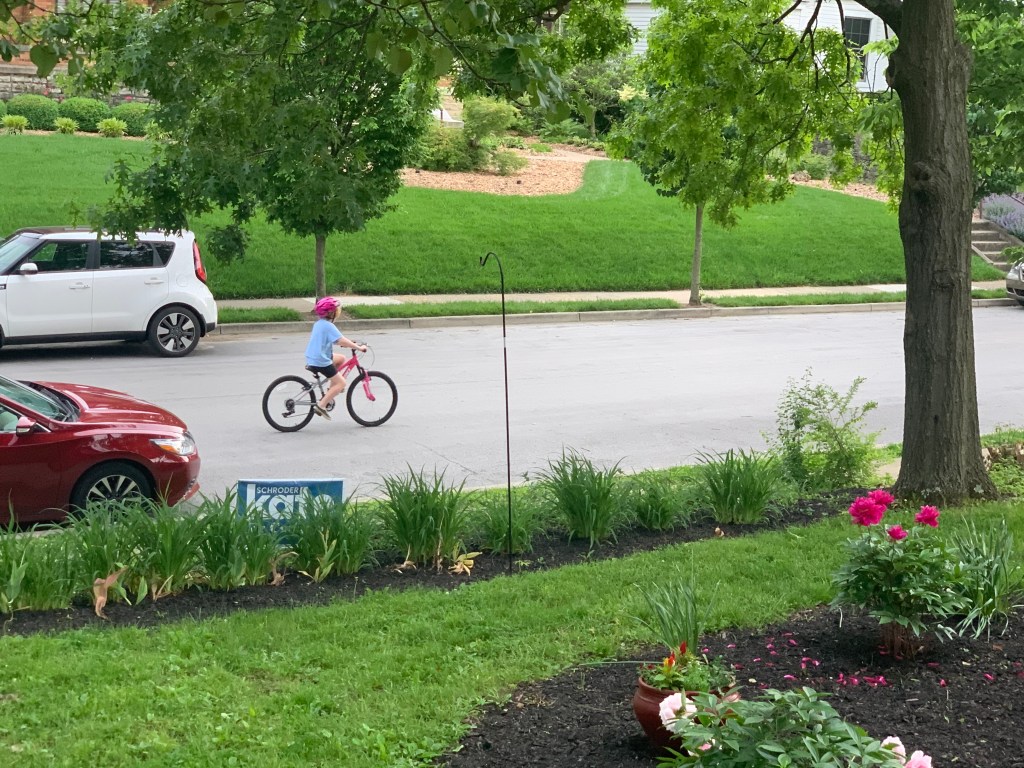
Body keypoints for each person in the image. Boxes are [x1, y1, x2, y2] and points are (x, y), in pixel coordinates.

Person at [305, 297, 367, 420]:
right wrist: (359, 348)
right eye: (337, 310)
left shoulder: (319, 324)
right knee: (342, 383)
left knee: (341, 358)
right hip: (321, 361)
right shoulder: (329, 326)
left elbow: (337, 341)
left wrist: (348, 342)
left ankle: (331, 390)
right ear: (331, 313)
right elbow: (340, 340)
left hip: (313, 357)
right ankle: (321, 405)